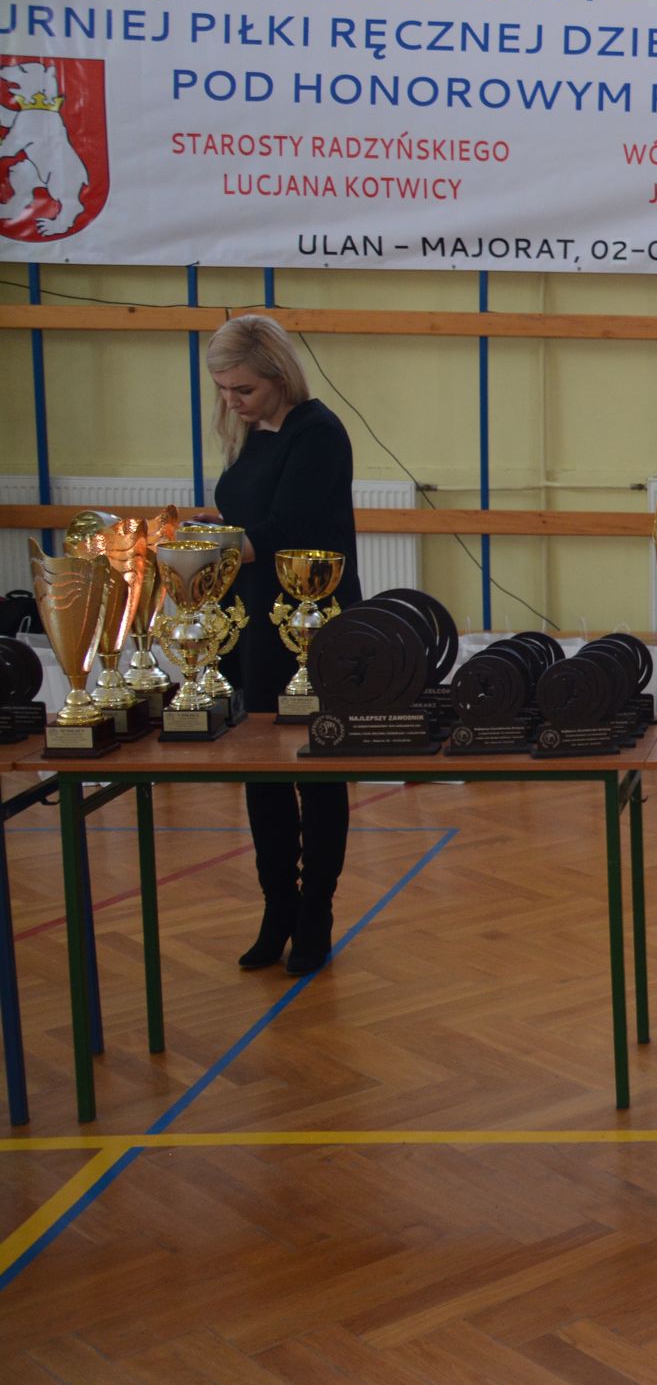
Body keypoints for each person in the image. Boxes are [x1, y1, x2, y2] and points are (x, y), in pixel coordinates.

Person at [191, 314, 363, 976]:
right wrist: (215, 528)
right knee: (261, 768)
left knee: (315, 770)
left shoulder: (317, 432)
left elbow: (287, 527)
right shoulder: (251, 434)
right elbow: (252, 518)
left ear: (279, 375)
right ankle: (277, 907)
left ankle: (315, 913)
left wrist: (210, 548)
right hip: (252, 617)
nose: (232, 402)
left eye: (244, 390)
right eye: (223, 390)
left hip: (310, 621)